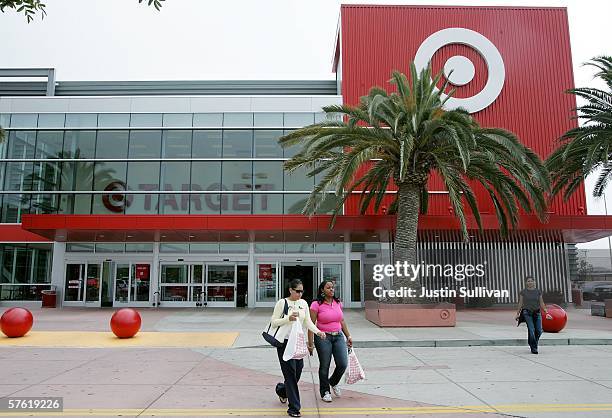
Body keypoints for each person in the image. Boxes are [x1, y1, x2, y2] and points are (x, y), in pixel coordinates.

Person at [270, 279, 326, 417]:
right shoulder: (282, 303)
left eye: (302, 291)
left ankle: (282, 390)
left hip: (298, 342)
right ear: (290, 290)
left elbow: (307, 322)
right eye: (297, 291)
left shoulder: (303, 303)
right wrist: (288, 318)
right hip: (284, 343)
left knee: (297, 372)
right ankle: (294, 408)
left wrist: (318, 331)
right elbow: (273, 322)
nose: (300, 294)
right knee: (290, 374)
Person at [308, 280, 352, 403]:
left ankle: (333, 382)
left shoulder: (338, 302)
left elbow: (341, 321)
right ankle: (325, 391)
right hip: (323, 337)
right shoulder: (316, 304)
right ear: (322, 290)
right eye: (328, 288)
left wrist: (348, 336)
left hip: (338, 336)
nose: (332, 289)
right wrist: (310, 344)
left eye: (333, 287)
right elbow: (311, 324)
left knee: (342, 363)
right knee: (325, 365)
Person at [515, 276, 552, 354]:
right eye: (528, 281)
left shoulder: (538, 292)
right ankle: (534, 347)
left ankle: (531, 342)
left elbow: (541, 302)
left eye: (531, 281)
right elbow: (521, 303)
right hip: (527, 313)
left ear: (534, 282)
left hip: (537, 313)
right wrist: (517, 313)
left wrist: (546, 312)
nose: (530, 282)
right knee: (531, 329)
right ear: (526, 283)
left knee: (539, 330)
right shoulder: (523, 292)